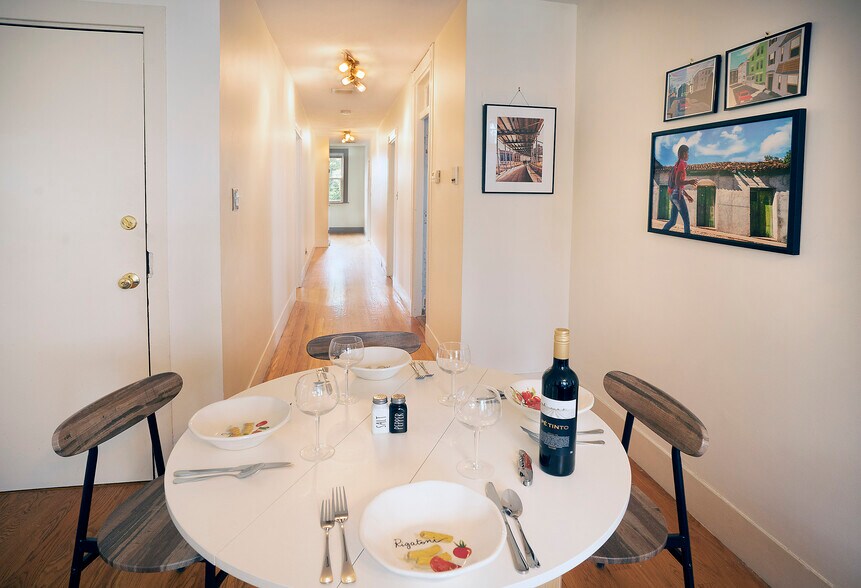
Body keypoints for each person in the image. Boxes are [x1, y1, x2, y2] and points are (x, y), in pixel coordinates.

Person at [662, 144, 698, 234]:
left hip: (673, 195)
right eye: (688, 153)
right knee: (686, 221)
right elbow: (678, 182)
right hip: (677, 195)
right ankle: (688, 239)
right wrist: (690, 181)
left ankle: (663, 232)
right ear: (684, 153)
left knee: (672, 221)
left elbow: (677, 185)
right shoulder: (681, 164)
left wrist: (687, 195)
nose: (688, 155)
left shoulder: (677, 164)